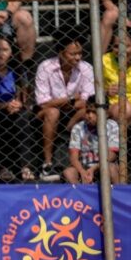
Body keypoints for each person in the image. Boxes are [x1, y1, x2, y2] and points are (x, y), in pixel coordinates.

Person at [35, 27, 93, 181]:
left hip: (74, 112)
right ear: (60, 52)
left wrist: (62, 102)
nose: (77, 58)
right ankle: (47, 164)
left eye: (80, 53)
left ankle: (69, 141)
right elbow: (42, 104)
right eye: (72, 54)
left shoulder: (86, 68)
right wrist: (71, 99)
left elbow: (87, 100)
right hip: (48, 113)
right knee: (53, 113)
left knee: (87, 110)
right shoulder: (45, 67)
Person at [0, 37, 34, 182]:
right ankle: (2, 167)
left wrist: (17, 105)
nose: (0, 54)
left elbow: (23, 98)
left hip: (15, 109)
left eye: (5, 50)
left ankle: (25, 166)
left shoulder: (18, 71)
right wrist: (5, 106)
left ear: (11, 52)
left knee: (22, 120)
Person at [63, 97, 120, 185]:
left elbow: (112, 155)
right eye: (88, 111)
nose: (90, 115)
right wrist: (82, 172)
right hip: (84, 167)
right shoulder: (78, 128)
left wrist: (94, 168)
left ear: (106, 113)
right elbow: (73, 158)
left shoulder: (112, 126)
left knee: (111, 169)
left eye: (94, 112)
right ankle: (81, 196)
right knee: (69, 172)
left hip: (104, 165)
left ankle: (118, 196)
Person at [103, 27, 131, 126]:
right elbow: (92, 89)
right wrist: (106, 91)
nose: (121, 51)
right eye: (116, 46)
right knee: (124, 109)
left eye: (126, 46)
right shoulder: (105, 61)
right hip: (114, 104)